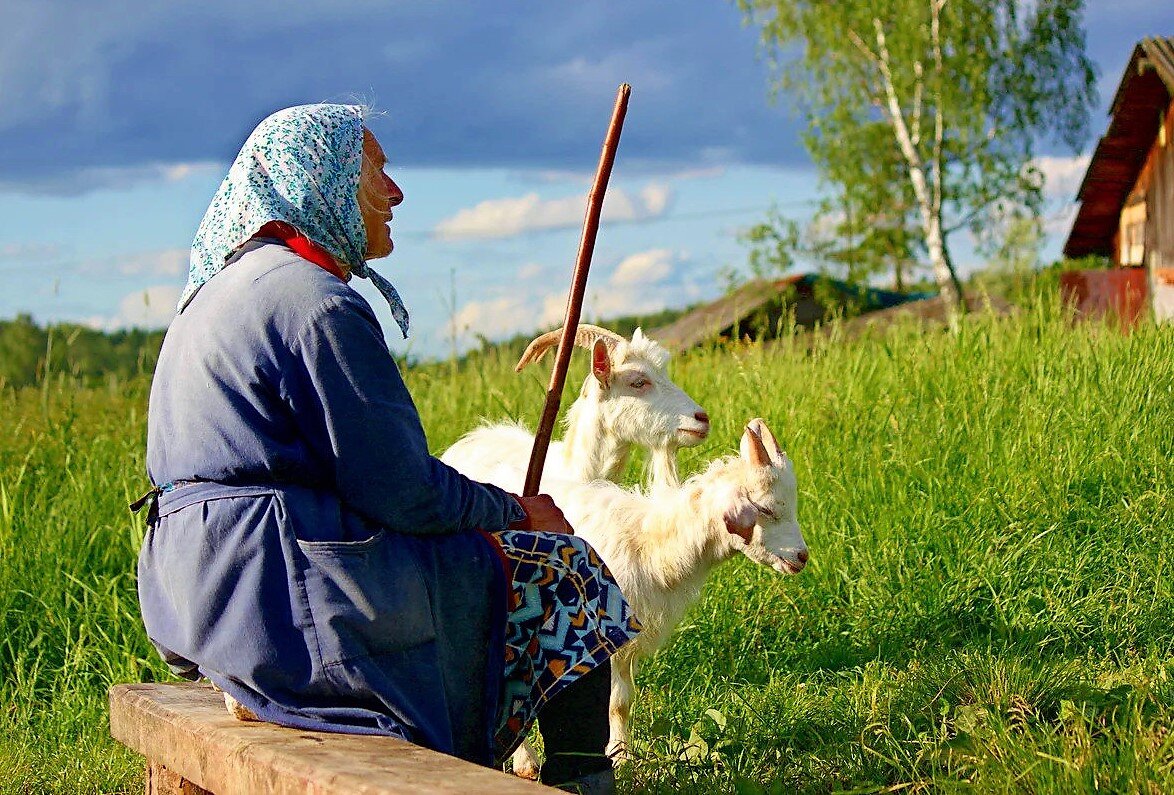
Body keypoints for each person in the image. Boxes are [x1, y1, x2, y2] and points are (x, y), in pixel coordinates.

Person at [133, 103, 640, 793]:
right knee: (569, 573)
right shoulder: (313, 303)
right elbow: (403, 490)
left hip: (199, 598)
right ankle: (580, 782)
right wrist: (518, 512)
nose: (394, 193)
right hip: (280, 602)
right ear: (322, 179)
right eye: (376, 169)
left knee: (490, 563)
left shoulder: (210, 300)